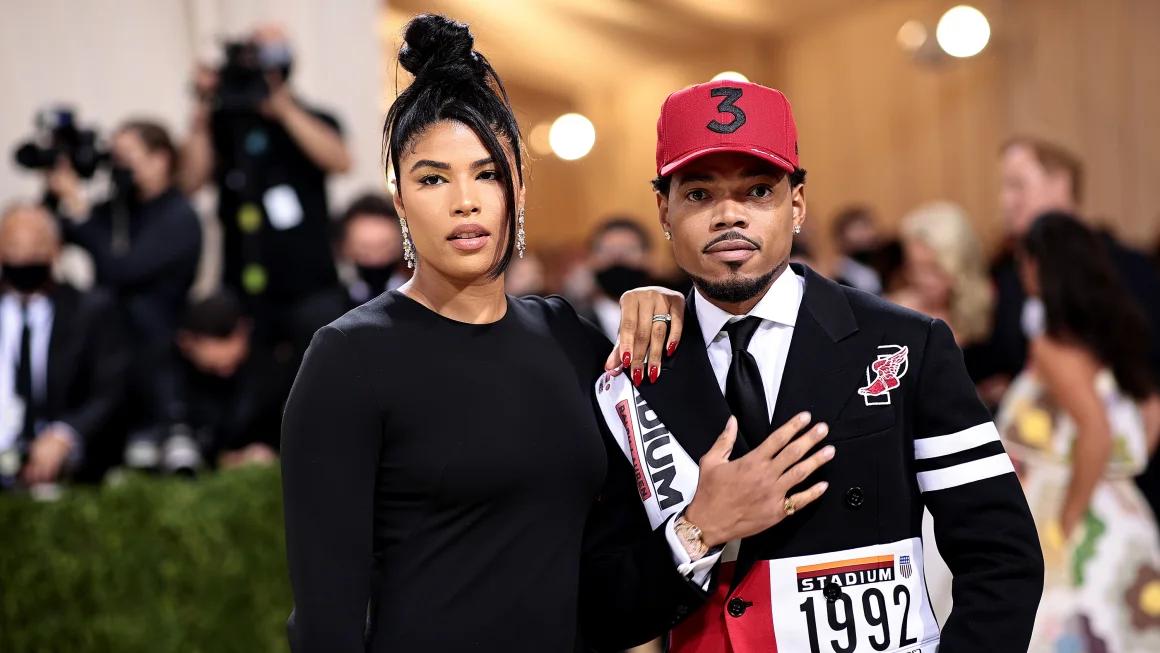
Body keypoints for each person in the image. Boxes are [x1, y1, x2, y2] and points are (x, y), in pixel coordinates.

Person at [280, 15, 833, 652]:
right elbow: (326, 617)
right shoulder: (349, 357)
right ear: (400, 200)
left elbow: (620, 565)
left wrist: (670, 302)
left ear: (519, 186)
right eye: (433, 178)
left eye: (487, 173)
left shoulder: (571, 339)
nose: (465, 200)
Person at [593, 79, 1043, 652]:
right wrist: (698, 529)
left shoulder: (908, 344)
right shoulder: (638, 371)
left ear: (797, 204)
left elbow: (1002, 558)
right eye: (700, 195)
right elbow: (606, 604)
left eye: (758, 191)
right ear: (664, 210)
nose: (729, 216)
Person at [998, 212, 1160, 651]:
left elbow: (1096, 431)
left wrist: (1068, 519)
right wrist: (1118, 473)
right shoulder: (1113, 333)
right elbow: (1148, 413)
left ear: (1038, 265)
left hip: (1075, 514)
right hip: (1119, 509)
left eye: (1023, 262)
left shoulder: (1053, 345)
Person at [983, 136, 1160, 514]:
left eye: (1017, 184)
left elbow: (1147, 380)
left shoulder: (1130, 270)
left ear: (1060, 182)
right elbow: (1001, 356)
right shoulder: (1010, 277)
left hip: (1110, 492)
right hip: (1043, 492)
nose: (1005, 200)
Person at [179, 23, 350, 344]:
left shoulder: (314, 117)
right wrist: (203, 104)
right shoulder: (223, 124)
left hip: (309, 282)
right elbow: (189, 182)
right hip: (242, 283)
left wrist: (283, 109)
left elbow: (340, 161)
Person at [0, 203, 128, 488]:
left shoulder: (90, 311)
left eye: (34, 250)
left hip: (68, 467)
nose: (23, 259)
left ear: (55, 250)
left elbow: (109, 389)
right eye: (13, 249)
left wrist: (64, 434)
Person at [150, 290, 290, 472]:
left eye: (234, 363)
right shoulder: (162, 372)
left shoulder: (268, 368)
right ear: (186, 343)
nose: (226, 373)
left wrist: (265, 450)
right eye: (213, 368)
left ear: (245, 331)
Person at [889, 201, 993, 375]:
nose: (923, 279)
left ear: (959, 266)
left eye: (934, 269)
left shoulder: (985, 306)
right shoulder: (893, 313)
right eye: (915, 266)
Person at [585, 217, 655, 342]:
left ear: (648, 257)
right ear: (591, 258)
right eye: (608, 251)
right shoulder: (569, 320)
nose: (618, 258)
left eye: (629, 250)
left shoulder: (672, 318)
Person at [334, 193, 408, 307]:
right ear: (344, 249)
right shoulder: (318, 314)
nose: (376, 258)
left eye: (385, 247)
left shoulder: (430, 304)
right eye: (364, 249)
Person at [830, 204, 884, 294]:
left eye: (867, 227)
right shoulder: (838, 273)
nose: (865, 234)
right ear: (841, 236)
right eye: (858, 228)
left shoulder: (881, 264)